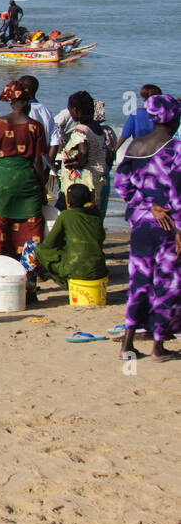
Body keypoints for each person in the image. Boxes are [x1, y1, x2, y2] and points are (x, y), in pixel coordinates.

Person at [113, 94, 181, 362]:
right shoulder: (175, 150)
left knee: (139, 282)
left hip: (141, 224)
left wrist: (148, 204)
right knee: (167, 284)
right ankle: (158, 347)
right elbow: (178, 194)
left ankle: (127, 345)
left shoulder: (135, 146)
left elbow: (123, 187)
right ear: (173, 118)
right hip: (169, 227)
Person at [0, 81, 49, 302]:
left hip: (4, 183)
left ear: (11, 102)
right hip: (28, 182)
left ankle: (3, 281)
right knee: (31, 235)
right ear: (27, 102)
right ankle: (29, 287)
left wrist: (3, 157)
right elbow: (39, 162)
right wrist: (42, 186)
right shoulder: (35, 127)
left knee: (1, 232)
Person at [34, 184, 106, 291]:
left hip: (74, 270)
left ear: (68, 201)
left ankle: (35, 287)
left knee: (36, 248)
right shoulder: (96, 215)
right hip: (99, 271)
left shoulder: (66, 215)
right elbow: (101, 237)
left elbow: (49, 244)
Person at [56, 91, 109, 211]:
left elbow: (83, 151)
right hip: (95, 179)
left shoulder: (81, 129)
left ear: (76, 111)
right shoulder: (96, 127)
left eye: (69, 110)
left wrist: (73, 163)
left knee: (68, 212)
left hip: (81, 182)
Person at [117, 84, 163, 154]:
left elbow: (125, 135)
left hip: (139, 151)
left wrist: (115, 150)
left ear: (143, 97)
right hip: (158, 151)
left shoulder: (135, 113)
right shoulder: (164, 114)